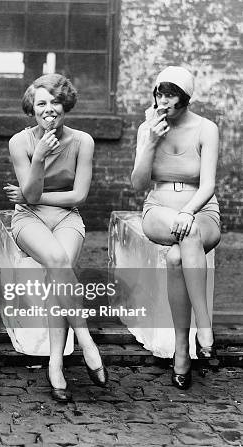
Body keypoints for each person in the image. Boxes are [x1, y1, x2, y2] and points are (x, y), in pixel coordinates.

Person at [5, 73, 107, 402]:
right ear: (32, 110)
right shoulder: (20, 142)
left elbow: (78, 196)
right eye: (41, 103)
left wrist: (29, 196)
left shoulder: (83, 141)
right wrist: (38, 158)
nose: (49, 108)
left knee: (56, 271)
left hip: (67, 218)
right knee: (59, 261)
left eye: (55, 102)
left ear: (66, 105)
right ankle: (85, 340)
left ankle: (55, 363)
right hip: (28, 220)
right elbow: (30, 196)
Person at [131, 66, 220, 389]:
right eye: (159, 94)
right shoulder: (149, 127)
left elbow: (208, 184)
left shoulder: (206, 129)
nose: (164, 102)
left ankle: (183, 350)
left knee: (176, 257)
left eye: (171, 96)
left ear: (185, 99)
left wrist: (188, 211)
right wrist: (151, 140)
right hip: (158, 210)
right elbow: (139, 184)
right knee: (188, 233)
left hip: (201, 210)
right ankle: (205, 330)